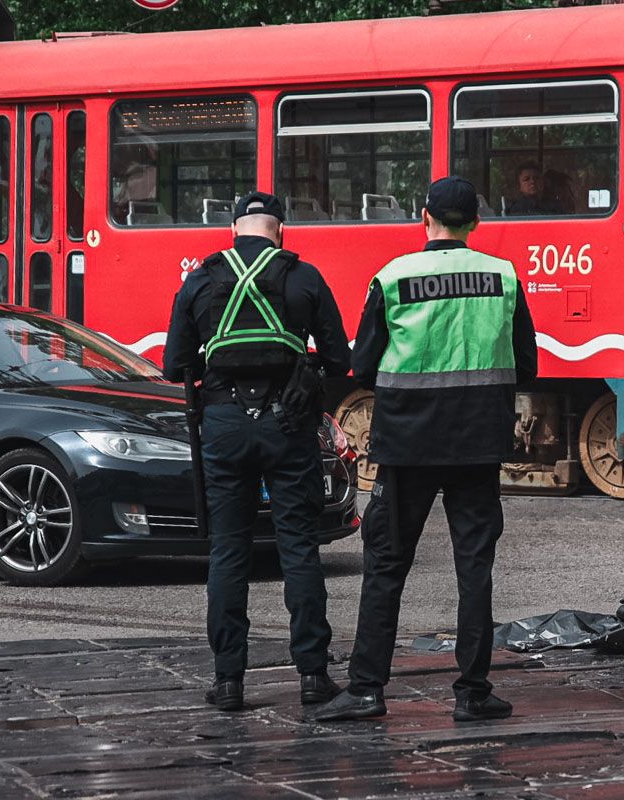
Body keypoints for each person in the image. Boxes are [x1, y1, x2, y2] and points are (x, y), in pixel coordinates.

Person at [308, 176, 537, 723]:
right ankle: (473, 691)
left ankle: (367, 689)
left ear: (424, 217)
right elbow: (525, 366)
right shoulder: (503, 277)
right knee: (474, 568)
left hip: (407, 446)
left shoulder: (393, 277)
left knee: (386, 566)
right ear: (476, 223)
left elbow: (361, 366)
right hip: (478, 446)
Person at [162, 192, 351, 712]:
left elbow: (174, 363)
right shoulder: (304, 276)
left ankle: (228, 682)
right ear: (281, 232)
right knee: (298, 549)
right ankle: (313, 675)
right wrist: (300, 369)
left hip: (222, 424)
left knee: (228, 550)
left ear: (233, 233)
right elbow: (339, 358)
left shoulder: (200, 279)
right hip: (288, 424)